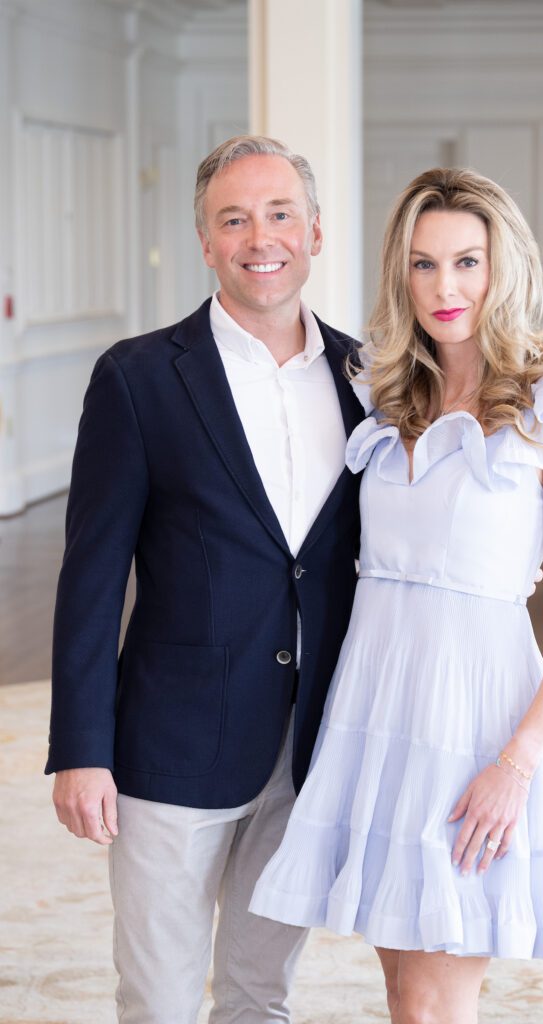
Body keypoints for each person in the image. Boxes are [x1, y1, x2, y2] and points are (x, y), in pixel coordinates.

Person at [249, 167, 543, 1024]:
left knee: (432, 1000)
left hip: (473, 727)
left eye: (467, 262)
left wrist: (515, 764)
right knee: (402, 989)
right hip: (375, 716)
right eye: (423, 265)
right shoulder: (388, 398)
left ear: (507, 267)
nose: (445, 287)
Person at [46, 135, 368, 1023]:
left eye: (277, 215)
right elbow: (92, 573)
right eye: (233, 219)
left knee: (262, 992)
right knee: (157, 996)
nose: (257, 237)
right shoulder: (139, 377)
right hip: (170, 741)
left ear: (313, 232)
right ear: (205, 241)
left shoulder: (368, 378)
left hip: (310, 744)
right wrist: (81, 747)